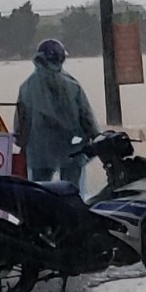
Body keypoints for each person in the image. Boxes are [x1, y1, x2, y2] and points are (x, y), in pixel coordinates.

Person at [15, 38, 98, 190]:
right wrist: (95, 138)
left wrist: (21, 142)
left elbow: (21, 121)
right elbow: (86, 117)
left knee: (39, 192)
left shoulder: (26, 87)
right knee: (72, 192)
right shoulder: (72, 84)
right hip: (71, 147)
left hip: (39, 150)